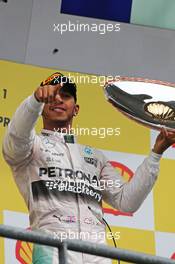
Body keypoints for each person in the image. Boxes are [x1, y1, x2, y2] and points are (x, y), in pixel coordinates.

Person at [2, 72, 175, 264]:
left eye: (66, 96)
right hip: (53, 247)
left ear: (75, 109)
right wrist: (34, 101)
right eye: (51, 96)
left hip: (97, 252)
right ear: (42, 107)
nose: (58, 99)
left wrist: (155, 154)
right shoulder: (31, 148)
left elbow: (127, 202)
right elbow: (17, 137)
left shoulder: (94, 157)